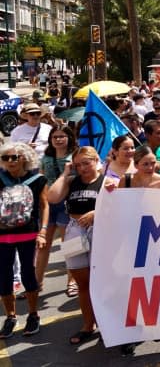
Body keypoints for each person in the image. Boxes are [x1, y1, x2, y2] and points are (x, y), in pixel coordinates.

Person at [47, 146, 111, 346]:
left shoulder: (107, 181)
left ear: (96, 160)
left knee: (102, 283)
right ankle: (87, 325)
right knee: (82, 283)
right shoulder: (71, 181)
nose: (82, 168)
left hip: (100, 232)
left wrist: (96, 212)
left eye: (86, 163)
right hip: (74, 230)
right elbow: (52, 197)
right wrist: (66, 173)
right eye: (78, 164)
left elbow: (117, 206)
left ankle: (108, 325)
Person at [0, 143, 48, 339]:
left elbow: (45, 206)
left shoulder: (38, 180)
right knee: (3, 276)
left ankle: (33, 314)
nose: (10, 161)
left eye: (15, 157)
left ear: (25, 158)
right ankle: (11, 317)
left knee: (28, 274)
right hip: (2, 235)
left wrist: (43, 231)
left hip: (28, 234)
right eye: (6, 158)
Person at [37, 124, 78, 297]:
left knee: (69, 245)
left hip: (67, 204)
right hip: (47, 204)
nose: (59, 139)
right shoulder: (46, 157)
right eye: (55, 137)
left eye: (62, 136)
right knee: (43, 245)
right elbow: (41, 177)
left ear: (69, 138)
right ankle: (36, 283)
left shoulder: (75, 156)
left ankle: (72, 281)